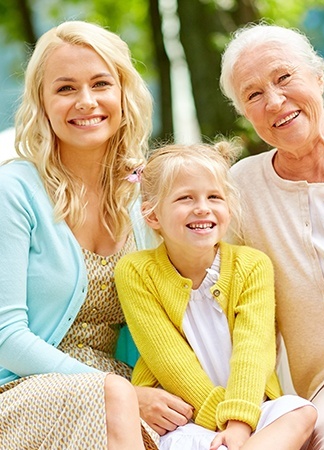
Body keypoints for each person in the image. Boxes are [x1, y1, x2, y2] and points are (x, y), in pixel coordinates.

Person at [0, 20, 193, 449]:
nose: (86, 102)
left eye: (100, 83)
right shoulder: (14, 190)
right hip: (20, 388)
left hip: (122, 384)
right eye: (65, 88)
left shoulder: (144, 196)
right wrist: (120, 392)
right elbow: (6, 338)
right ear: (42, 103)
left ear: (123, 94)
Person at [220, 21, 324, 450]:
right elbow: (221, 302)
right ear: (245, 114)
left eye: (284, 77)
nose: (275, 101)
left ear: (317, 77)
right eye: (254, 94)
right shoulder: (242, 188)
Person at [115, 142, 317, 450]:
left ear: (229, 208)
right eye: (185, 198)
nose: (202, 207)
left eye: (214, 197)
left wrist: (239, 423)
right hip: (181, 417)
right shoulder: (136, 271)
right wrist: (218, 420)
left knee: (301, 412)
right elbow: (169, 358)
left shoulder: (251, 265)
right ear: (152, 215)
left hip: (249, 410)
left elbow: (254, 349)